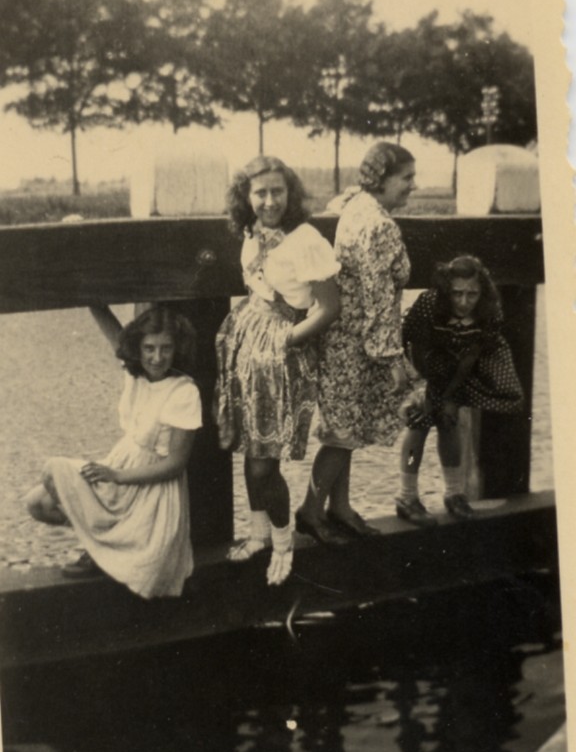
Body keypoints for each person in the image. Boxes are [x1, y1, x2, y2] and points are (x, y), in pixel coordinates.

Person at [214, 155, 341, 585]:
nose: (269, 201)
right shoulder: (251, 232)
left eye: (278, 191)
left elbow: (330, 307)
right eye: (260, 192)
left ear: (291, 193)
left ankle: (283, 546)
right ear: (246, 196)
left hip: (284, 350)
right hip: (249, 343)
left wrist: (286, 340)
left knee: (263, 465)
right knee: (251, 449)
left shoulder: (306, 240)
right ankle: (258, 535)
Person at [24, 304, 202, 598]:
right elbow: (113, 333)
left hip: (148, 486)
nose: (157, 358)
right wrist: (91, 297)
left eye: (166, 348)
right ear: (138, 348)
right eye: (149, 348)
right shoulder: (136, 374)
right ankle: (101, 545)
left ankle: (102, 549)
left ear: (177, 348)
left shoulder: (183, 392)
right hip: (119, 467)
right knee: (38, 503)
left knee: (54, 469)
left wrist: (116, 475)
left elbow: (175, 464)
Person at [296, 142, 416, 544]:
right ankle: (311, 511)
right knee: (341, 433)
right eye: (406, 178)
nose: (413, 186)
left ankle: (341, 508)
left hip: (342, 338)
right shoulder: (378, 224)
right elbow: (377, 295)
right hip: (355, 342)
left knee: (343, 430)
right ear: (381, 179)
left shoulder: (356, 205)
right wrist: (391, 358)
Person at [396, 254, 524, 523]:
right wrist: (421, 387)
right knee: (419, 423)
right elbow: (414, 346)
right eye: (457, 293)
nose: (464, 301)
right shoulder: (430, 303)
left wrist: (450, 395)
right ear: (447, 290)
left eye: (471, 294)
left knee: (449, 421)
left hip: (455, 368)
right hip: (419, 365)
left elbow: (471, 355)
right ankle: (406, 496)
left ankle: (454, 493)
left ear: (482, 292)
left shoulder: (489, 311)